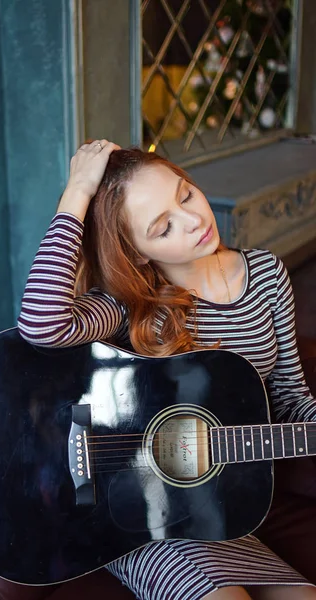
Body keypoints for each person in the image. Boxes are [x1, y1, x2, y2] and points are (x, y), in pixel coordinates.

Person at [18, 139, 316, 600]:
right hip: (133, 509)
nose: (195, 220)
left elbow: (289, 398)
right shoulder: (132, 307)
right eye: (163, 228)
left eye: (186, 195)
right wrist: (77, 191)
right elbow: (41, 325)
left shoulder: (266, 275)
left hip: (208, 501)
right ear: (137, 253)